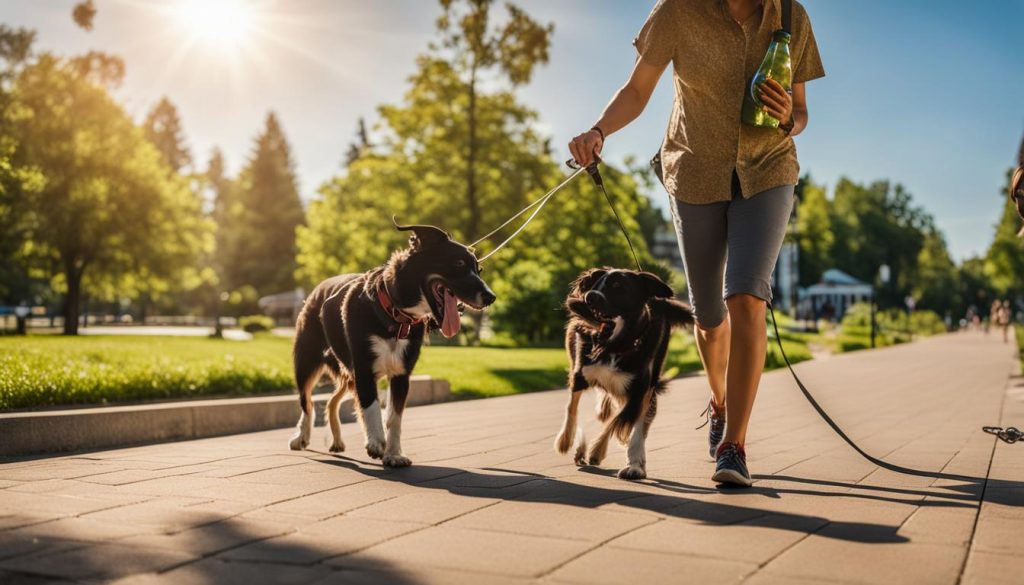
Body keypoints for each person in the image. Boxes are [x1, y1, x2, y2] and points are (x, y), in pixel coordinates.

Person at [568, 0, 824, 487]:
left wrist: (790, 116)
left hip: (769, 169)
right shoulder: (677, 11)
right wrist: (599, 130)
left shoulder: (791, 16)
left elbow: (803, 113)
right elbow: (638, 89)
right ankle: (720, 401)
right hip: (693, 172)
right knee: (708, 316)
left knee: (746, 296)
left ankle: (734, 444)